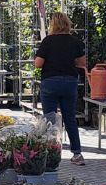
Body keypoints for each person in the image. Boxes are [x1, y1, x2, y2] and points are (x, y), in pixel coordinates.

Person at [34, 11, 86, 165]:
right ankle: (77, 154)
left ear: (53, 25)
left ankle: (50, 154)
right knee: (70, 118)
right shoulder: (75, 42)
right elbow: (82, 64)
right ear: (67, 24)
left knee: (49, 118)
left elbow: (38, 63)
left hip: (50, 81)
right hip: (69, 82)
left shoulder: (47, 41)